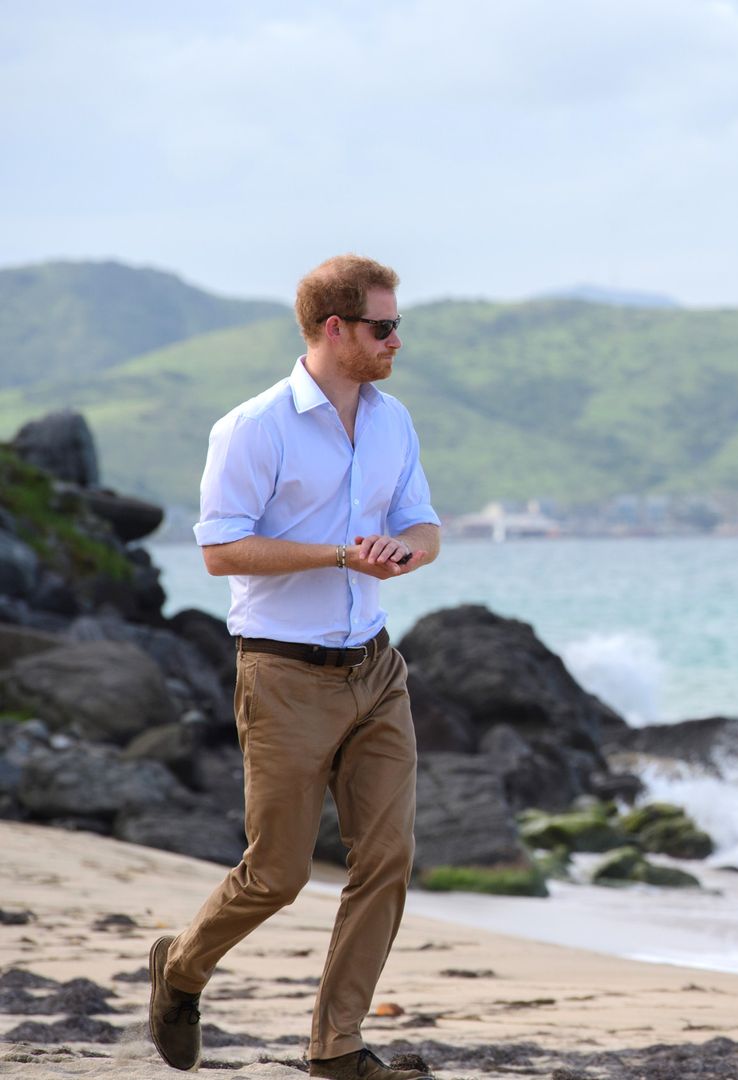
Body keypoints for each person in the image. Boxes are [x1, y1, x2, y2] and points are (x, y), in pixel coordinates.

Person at [148, 254, 442, 1080]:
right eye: (383, 327)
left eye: (398, 325)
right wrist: (339, 556)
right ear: (335, 329)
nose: (396, 341)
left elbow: (426, 528)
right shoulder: (254, 426)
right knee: (276, 873)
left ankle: (336, 1048)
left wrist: (401, 554)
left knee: (385, 860)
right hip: (282, 675)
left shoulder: (394, 421)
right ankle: (179, 969)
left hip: (378, 671)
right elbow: (219, 550)